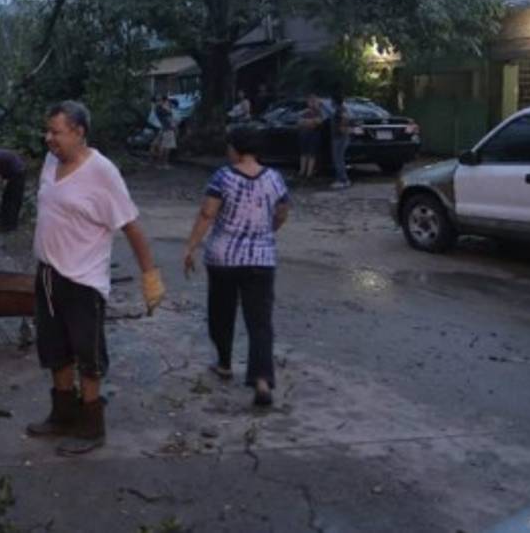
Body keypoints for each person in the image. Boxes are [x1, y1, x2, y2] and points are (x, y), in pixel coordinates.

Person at [27, 101, 165, 455]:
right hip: (47, 274)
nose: (49, 139)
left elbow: (131, 226)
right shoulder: (50, 162)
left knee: (87, 355)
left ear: (79, 132)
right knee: (54, 350)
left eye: (56, 132)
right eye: (48, 131)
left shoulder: (102, 172)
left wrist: (150, 275)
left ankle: (91, 428)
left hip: (82, 279)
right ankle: (62, 415)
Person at [182, 128, 289, 408]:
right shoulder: (274, 178)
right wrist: (268, 231)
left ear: (235, 149)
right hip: (261, 259)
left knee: (221, 311)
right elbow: (282, 212)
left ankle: (225, 364)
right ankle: (263, 380)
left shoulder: (223, 177)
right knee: (260, 322)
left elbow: (207, 214)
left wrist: (191, 246)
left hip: (223, 258)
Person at [296, 93, 324, 182]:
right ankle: (302, 171)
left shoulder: (319, 112)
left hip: (314, 135)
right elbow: (299, 122)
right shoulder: (304, 112)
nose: (312, 103)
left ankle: (309, 173)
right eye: (310, 101)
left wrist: (307, 122)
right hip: (304, 135)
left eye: (314, 101)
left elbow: (318, 122)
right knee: (303, 153)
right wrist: (310, 122)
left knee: (312, 154)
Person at [329, 93, 353, 190]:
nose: (331, 102)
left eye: (332, 100)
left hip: (339, 138)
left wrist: (342, 128)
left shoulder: (340, 110)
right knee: (339, 159)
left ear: (335, 101)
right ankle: (343, 179)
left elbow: (344, 119)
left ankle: (342, 180)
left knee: (338, 159)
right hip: (340, 137)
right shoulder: (341, 109)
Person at [153, 97, 177, 168]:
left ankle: (159, 164)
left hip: (163, 129)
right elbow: (170, 121)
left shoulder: (158, 110)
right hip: (168, 130)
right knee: (166, 148)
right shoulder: (166, 112)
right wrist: (174, 127)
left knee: (162, 147)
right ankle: (164, 164)